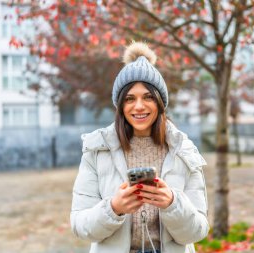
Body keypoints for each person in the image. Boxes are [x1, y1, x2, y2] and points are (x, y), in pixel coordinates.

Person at [70, 42, 209, 253]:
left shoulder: (184, 151)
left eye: (148, 97)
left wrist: (173, 204)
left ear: (160, 102)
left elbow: (198, 231)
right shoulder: (97, 150)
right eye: (129, 99)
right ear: (120, 106)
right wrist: (113, 208)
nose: (139, 106)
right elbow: (80, 226)